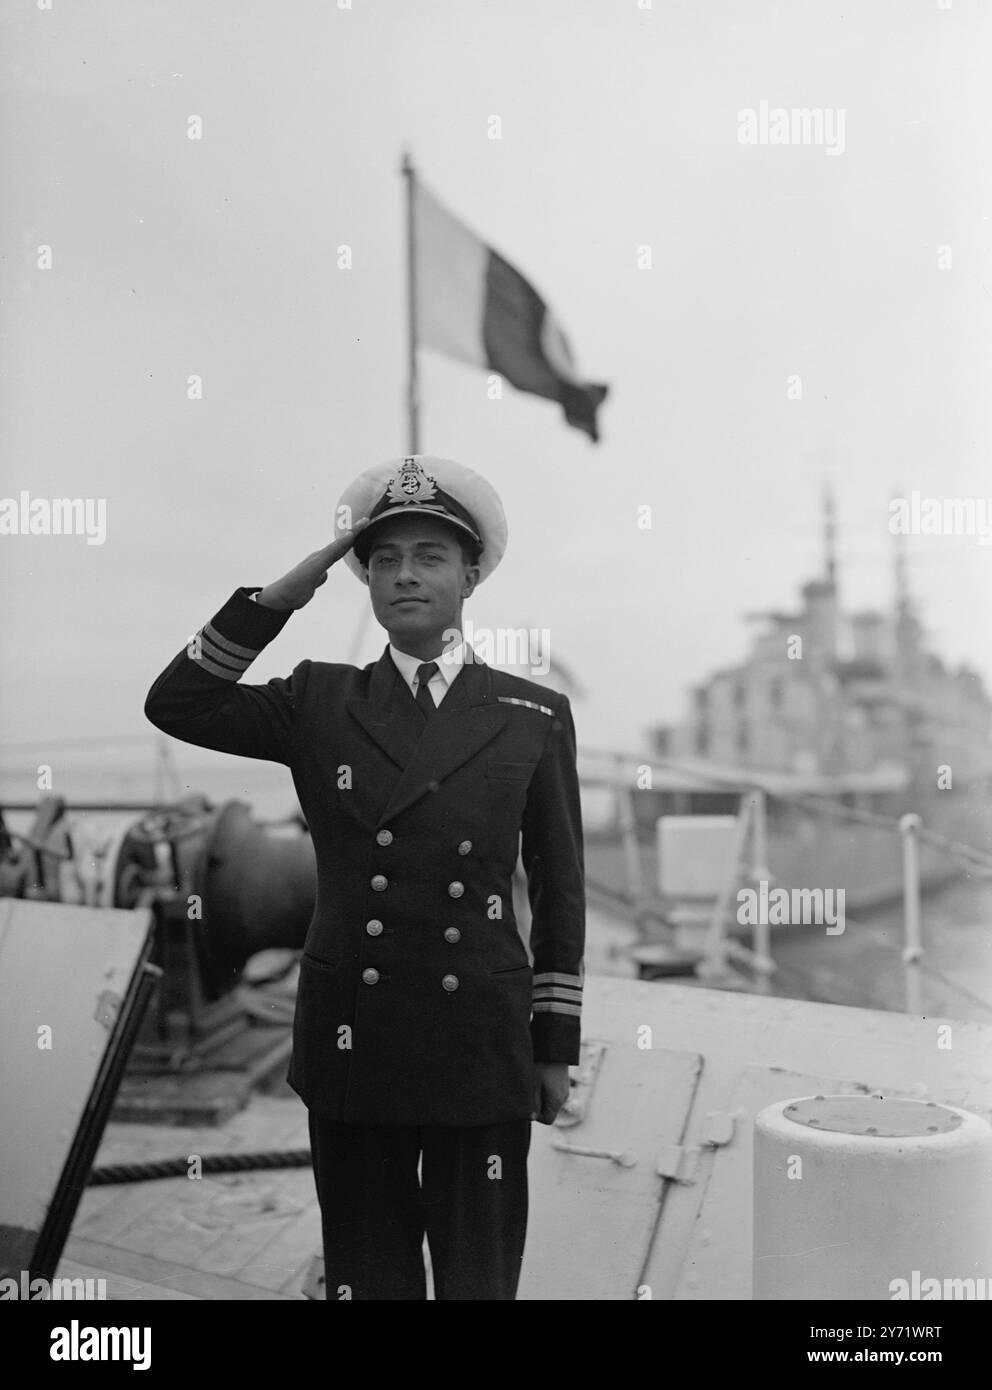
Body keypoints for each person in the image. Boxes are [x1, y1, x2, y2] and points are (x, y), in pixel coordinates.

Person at [144, 454, 586, 1300]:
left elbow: (560, 889)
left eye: (429, 556)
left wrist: (553, 1046)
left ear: (469, 577)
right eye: (384, 559)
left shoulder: (533, 716)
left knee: (478, 1282)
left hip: (481, 1047)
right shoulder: (319, 699)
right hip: (356, 1042)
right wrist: (283, 595)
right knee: (368, 1282)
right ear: (364, 579)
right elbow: (179, 704)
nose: (405, 575)